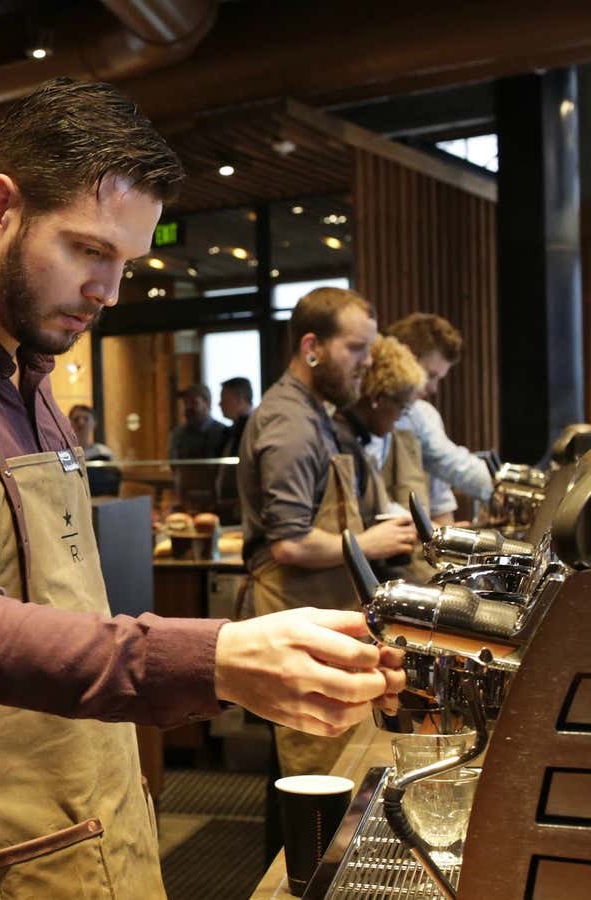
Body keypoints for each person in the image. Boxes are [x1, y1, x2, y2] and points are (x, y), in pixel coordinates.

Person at [0, 79, 403, 899]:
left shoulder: (27, 372)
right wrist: (221, 656)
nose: (110, 291)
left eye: (125, 262)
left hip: (97, 811)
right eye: (89, 251)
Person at [238, 287, 419, 778]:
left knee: (335, 759)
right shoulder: (289, 422)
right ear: (311, 347)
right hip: (295, 611)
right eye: (356, 349)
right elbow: (290, 542)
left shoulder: (317, 414)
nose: (367, 363)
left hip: (322, 613)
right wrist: (371, 543)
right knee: (312, 770)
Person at [334, 336, 433, 580]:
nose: (399, 419)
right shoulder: (340, 442)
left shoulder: (356, 440)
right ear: (378, 399)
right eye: (402, 408)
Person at [385, 313, 493, 524]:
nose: (433, 388)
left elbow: (440, 500)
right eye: (429, 375)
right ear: (403, 359)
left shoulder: (423, 414)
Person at [215, 377, 254, 520]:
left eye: (224, 399)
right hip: (227, 506)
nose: (219, 404)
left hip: (242, 507)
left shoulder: (253, 429)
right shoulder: (229, 431)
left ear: (238, 400)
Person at [168, 383, 229, 459]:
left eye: (194, 403)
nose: (188, 407)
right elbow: (174, 465)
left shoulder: (224, 433)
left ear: (207, 403)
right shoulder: (178, 434)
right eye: (185, 403)